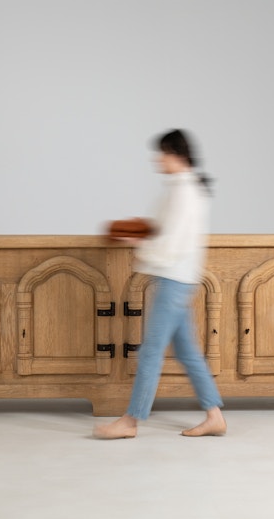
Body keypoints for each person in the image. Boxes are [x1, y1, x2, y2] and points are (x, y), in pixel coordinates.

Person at [93, 129, 226, 439]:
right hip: (181, 279)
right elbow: (165, 231)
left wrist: (140, 247)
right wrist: (139, 234)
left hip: (173, 280)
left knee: (150, 352)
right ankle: (215, 416)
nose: (157, 160)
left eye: (162, 153)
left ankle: (130, 422)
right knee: (188, 353)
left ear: (176, 155)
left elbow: (173, 243)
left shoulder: (184, 192)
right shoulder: (186, 187)